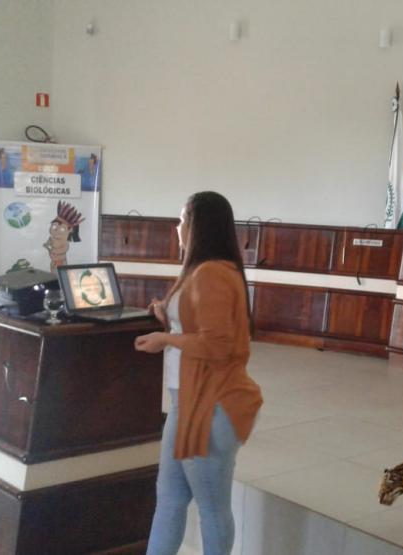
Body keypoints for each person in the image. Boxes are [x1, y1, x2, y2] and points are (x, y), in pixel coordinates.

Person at [134, 191, 262, 555]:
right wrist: (168, 315)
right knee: (170, 498)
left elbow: (217, 345)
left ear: (195, 225)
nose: (177, 227)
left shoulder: (212, 274)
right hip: (188, 402)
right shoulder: (201, 271)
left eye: (181, 219)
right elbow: (199, 323)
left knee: (211, 508)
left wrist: (164, 337)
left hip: (211, 405)